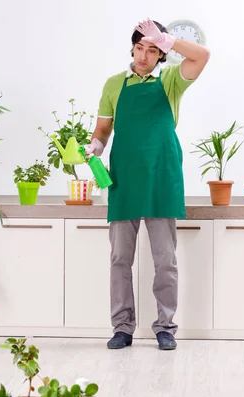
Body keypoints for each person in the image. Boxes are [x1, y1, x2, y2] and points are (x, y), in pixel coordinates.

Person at [85, 18, 210, 350]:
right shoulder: (114, 84)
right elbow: (102, 132)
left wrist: (167, 39)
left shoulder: (171, 80)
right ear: (132, 47)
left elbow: (201, 56)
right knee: (119, 259)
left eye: (151, 50)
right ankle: (122, 327)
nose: (143, 56)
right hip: (124, 178)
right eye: (140, 47)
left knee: (165, 259)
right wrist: (94, 147)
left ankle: (165, 326)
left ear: (161, 54)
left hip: (161, 175)